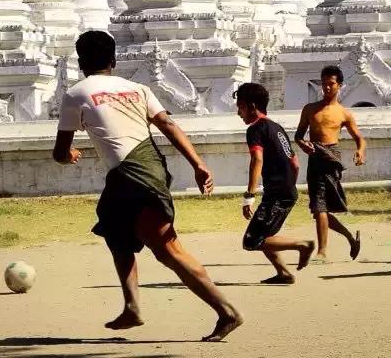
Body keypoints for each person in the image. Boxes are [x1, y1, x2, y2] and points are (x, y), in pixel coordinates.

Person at [52, 31, 242, 342]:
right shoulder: (138, 89)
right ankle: (132, 306)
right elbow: (168, 124)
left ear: (80, 62)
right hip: (149, 169)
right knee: (116, 232)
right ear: (114, 60)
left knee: (168, 250)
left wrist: (69, 156)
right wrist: (199, 163)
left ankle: (227, 311)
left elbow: (61, 152)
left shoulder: (76, 94)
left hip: (133, 176)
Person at [234, 83, 315, 284]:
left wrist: (249, 195)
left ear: (252, 106)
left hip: (278, 193)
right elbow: (295, 163)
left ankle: (303, 245)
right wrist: (288, 185)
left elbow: (257, 160)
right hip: (285, 190)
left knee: (252, 240)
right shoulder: (276, 128)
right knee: (264, 234)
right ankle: (284, 273)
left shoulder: (255, 129)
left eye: (241, 107)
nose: (238, 113)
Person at [294, 65, 365, 262]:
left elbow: (360, 138)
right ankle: (349, 238)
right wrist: (303, 144)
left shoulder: (343, 113)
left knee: (320, 208)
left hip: (331, 158)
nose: (326, 88)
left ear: (339, 86)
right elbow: (298, 136)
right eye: (324, 84)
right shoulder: (310, 109)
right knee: (319, 210)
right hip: (315, 156)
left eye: (331, 84)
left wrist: (360, 151)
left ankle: (322, 251)